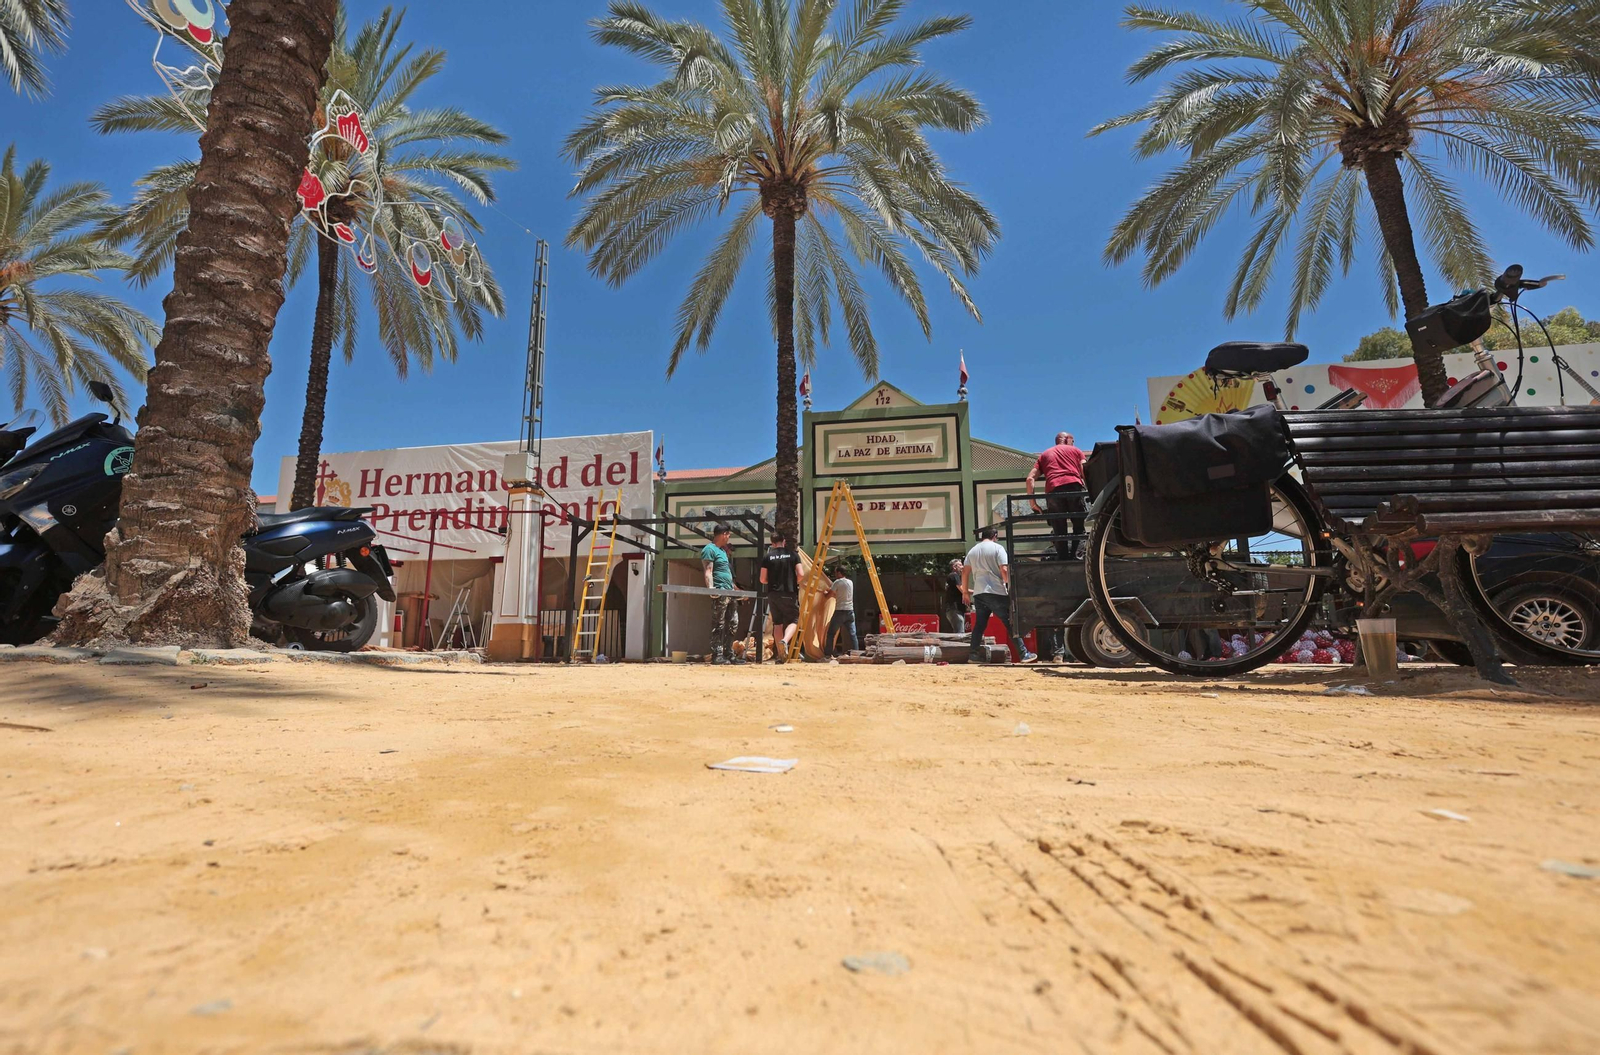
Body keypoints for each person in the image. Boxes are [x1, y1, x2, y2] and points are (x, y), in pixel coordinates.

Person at [962, 526, 1037, 664]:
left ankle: (973, 655)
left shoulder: (973, 551)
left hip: (979, 592)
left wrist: (965, 592)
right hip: (996, 591)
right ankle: (1023, 653)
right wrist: (1009, 585)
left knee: (979, 625)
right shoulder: (998, 548)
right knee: (1010, 623)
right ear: (994, 536)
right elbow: (1004, 569)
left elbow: (965, 572)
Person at [1026, 431, 1089, 560]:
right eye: (1073, 440)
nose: (1074, 443)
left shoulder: (1044, 455)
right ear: (1066, 440)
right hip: (1074, 487)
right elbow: (1085, 471)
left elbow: (1030, 479)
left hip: (1053, 490)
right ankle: (1077, 559)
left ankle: (1063, 560)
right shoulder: (1076, 451)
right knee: (1079, 527)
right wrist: (1089, 492)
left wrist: (1032, 503)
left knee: (1059, 530)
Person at [759, 531, 804, 662]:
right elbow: (801, 574)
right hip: (788, 593)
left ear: (772, 543)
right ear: (783, 541)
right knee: (794, 620)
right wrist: (792, 582)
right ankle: (784, 641)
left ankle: (780, 655)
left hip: (773, 594)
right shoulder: (793, 555)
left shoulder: (767, 557)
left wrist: (771, 581)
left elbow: (762, 579)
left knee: (777, 624)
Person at [701, 524, 741, 665]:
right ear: (724, 534)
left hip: (729, 592)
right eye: (729, 534)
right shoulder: (709, 549)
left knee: (733, 623)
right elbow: (708, 570)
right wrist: (711, 589)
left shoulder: (722, 552)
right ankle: (717, 655)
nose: (729, 537)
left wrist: (736, 591)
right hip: (720, 592)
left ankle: (728, 653)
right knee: (719, 624)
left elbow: (727, 573)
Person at [824, 564, 857, 658]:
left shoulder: (837, 582)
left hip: (839, 611)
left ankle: (827, 654)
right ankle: (856, 653)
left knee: (831, 633)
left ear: (839, 573)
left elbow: (828, 596)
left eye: (835, 572)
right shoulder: (850, 582)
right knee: (853, 634)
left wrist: (824, 593)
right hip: (850, 611)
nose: (835, 574)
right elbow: (841, 594)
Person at [943, 558, 968, 634]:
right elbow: (962, 590)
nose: (962, 567)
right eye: (960, 565)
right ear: (954, 567)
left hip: (954, 609)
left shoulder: (953, 577)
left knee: (958, 632)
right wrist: (977, 591)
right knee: (960, 634)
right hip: (954, 608)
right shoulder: (954, 575)